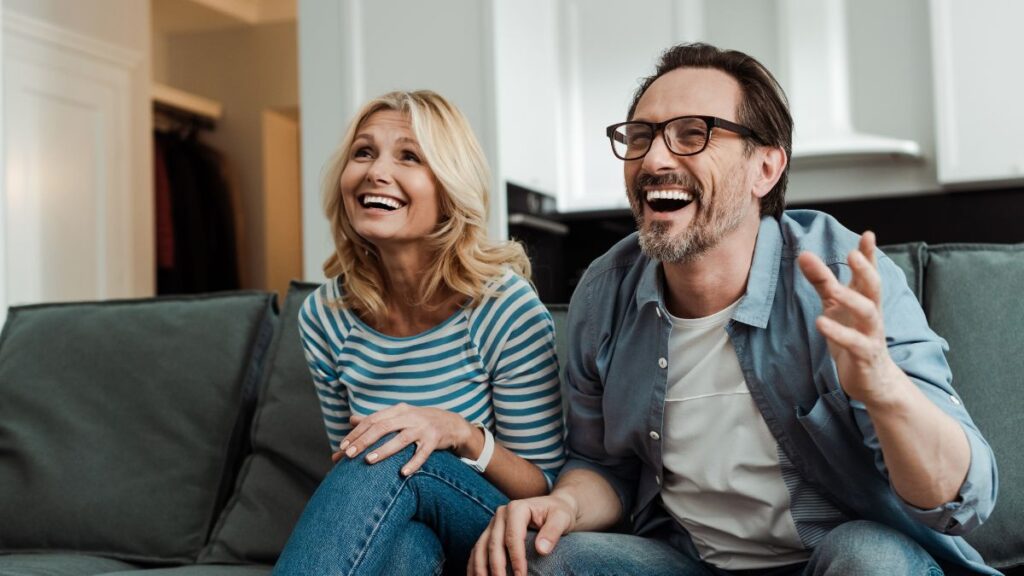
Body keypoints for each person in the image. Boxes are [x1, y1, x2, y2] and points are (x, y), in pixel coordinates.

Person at [470, 43, 998, 576]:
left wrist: (884, 389)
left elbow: (963, 497)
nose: (654, 159)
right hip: (692, 564)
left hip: (837, 560)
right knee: (546, 557)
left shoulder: (840, 275)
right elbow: (603, 468)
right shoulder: (606, 291)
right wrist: (565, 505)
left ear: (764, 169)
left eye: (692, 134)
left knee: (871, 559)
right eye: (641, 137)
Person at [273, 90, 565, 576]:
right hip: (404, 528)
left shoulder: (501, 307)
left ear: (450, 187)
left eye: (409, 156)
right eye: (363, 152)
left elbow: (543, 486)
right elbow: (349, 475)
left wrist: (460, 434)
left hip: (496, 528)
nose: (375, 171)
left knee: (395, 442)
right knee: (405, 547)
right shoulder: (325, 316)